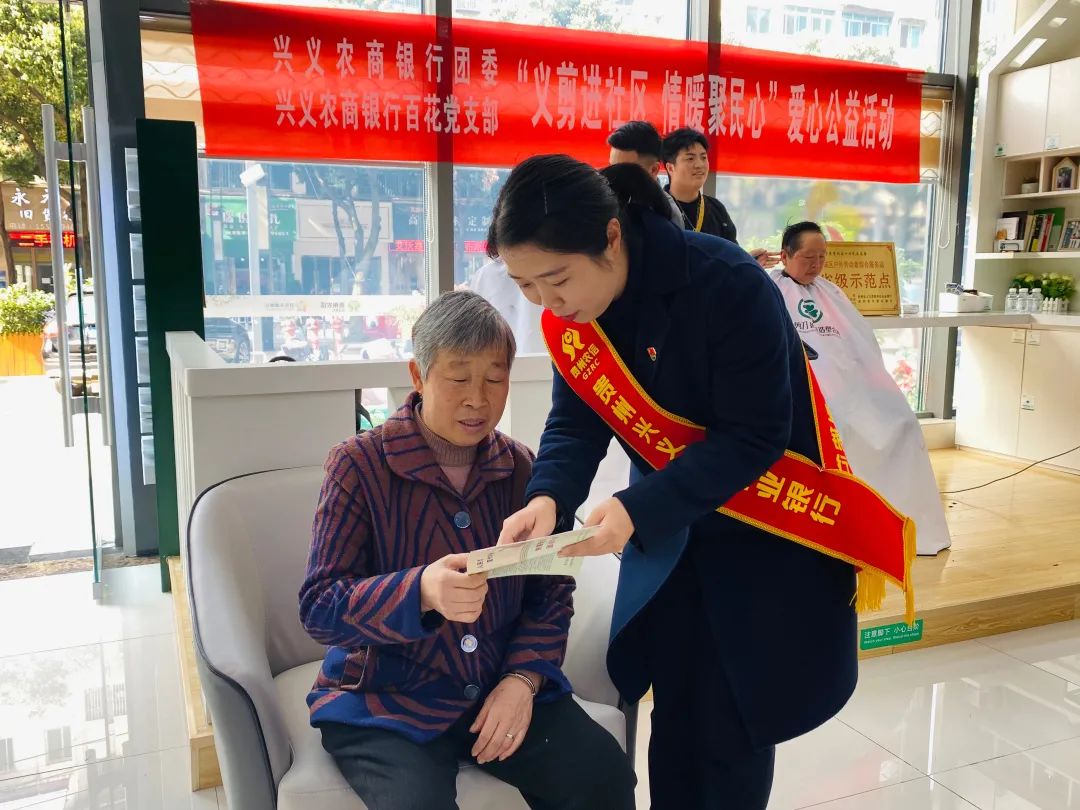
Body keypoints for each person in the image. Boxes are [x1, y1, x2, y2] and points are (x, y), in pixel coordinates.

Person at [490, 157, 862, 809]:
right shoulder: (578, 315)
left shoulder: (726, 283)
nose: (548, 303)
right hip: (672, 544)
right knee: (677, 719)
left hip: (758, 535)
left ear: (611, 237)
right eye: (526, 286)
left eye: (557, 279)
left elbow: (755, 436)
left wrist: (638, 508)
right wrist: (548, 496)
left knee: (733, 726)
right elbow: (576, 420)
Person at [299, 291, 636, 810]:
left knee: (602, 774)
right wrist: (420, 592)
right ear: (418, 375)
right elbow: (320, 606)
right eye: (458, 378)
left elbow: (551, 594)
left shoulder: (524, 469)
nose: (478, 399)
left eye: (495, 379)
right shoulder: (358, 465)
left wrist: (522, 679)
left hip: (498, 681)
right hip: (386, 699)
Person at [770, 222, 951, 555]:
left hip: (849, 389)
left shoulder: (831, 292)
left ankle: (898, 526)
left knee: (902, 423)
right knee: (839, 425)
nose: (816, 265)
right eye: (808, 257)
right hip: (804, 394)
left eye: (822, 257)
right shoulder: (768, 290)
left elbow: (860, 344)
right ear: (785, 256)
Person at [662, 127, 779, 269]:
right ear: (670, 168)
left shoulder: (716, 208)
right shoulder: (659, 208)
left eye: (703, 157)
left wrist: (748, 260)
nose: (699, 165)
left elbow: (730, 257)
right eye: (690, 158)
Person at [607, 120, 684, 225]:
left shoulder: (669, 215)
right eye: (611, 167)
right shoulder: (604, 201)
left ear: (653, 170)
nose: (614, 175)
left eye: (624, 171)